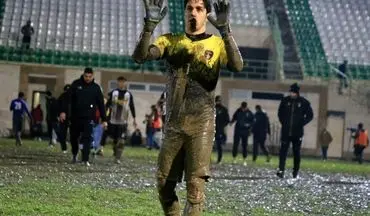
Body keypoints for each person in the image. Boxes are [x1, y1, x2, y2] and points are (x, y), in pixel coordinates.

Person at [132, 0, 243, 214]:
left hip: (201, 124)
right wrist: (149, 27)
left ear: (206, 14)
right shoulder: (170, 41)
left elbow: (237, 66)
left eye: (199, 9)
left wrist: (225, 31)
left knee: (195, 190)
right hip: (173, 125)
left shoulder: (217, 44)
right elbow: (140, 57)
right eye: (190, 8)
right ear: (184, 12)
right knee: (164, 184)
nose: (194, 13)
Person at [59, 68, 107, 166]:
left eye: (90, 77)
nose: (88, 78)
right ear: (83, 75)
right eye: (86, 76)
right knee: (74, 137)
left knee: (87, 138)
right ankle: (74, 154)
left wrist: (104, 119)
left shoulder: (96, 88)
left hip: (89, 118)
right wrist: (63, 111)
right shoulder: (76, 84)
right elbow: (67, 99)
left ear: (93, 76)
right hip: (75, 117)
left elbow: (101, 104)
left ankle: (85, 159)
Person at [277, 83, 313, 179]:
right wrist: (284, 123)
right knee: (283, 152)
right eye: (291, 92)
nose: (291, 94)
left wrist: (302, 123)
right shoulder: (285, 101)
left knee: (296, 152)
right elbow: (280, 113)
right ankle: (281, 170)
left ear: (297, 93)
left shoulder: (304, 102)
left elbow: (310, 115)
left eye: (293, 92)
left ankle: (295, 171)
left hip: (297, 133)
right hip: (286, 131)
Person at [106, 76, 137, 164]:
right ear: (117, 82)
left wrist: (134, 119)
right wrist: (105, 117)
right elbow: (107, 105)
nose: (121, 83)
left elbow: (132, 106)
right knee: (114, 140)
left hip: (123, 121)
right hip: (113, 120)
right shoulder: (113, 93)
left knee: (122, 140)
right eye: (120, 82)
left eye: (123, 82)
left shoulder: (128, 94)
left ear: (125, 83)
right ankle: (115, 151)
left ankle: (117, 158)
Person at [230, 101, 254, 166]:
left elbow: (252, 122)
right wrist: (231, 122)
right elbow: (234, 118)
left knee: (244, 146)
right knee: (235, 144)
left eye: (244, 108)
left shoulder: (249, 113)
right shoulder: (238, 111)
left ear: (246, 107)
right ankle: (234, 158)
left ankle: (244, 160)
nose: (243, 109)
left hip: (245, 132)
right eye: (242, 107)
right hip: (237, 130)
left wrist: (248, 126)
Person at [215, 95, 229, 164]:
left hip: (219, 130)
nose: (218, 102)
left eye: (219, 101)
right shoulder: (211, 109)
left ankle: (219, 159)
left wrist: (222, 126)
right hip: (211, 130)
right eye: (217, 101)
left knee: (219, 145)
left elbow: (227, 120)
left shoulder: (224, 109)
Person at [57, 84, 71, 153]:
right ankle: (65, 148)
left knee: (62, 133)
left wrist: (59, 114)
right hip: (67, 117)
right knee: (63, 133)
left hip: (68, 117)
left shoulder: (62, 96)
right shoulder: (63, 96)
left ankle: (64, 148)